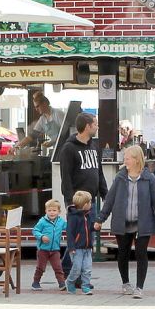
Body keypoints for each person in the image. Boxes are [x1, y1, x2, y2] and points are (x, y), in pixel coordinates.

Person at [95, 145, 155, 298]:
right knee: (123, 253)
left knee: (141, 254)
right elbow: (110, 200)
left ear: (136, 159)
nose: (124, 160)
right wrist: (101, 218)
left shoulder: (149, 179)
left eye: (127, 158)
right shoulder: (120, 177)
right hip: (123, 223)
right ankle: (126, 283)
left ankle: (140, 287)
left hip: (142, 223)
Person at [58, 112, 108, 278]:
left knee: (86, 240)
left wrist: (105, 194)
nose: (97, 126)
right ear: (87, 126)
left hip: (90, 201)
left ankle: (72, 272)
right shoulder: (69, 148)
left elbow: (98, 172)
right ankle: (71, 273)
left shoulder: (94, 145)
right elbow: (66, 177)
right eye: (95, 123)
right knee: (78, 240)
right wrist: (70, 202)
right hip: (77, 202)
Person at [31, 200, 67, 291]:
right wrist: (41, 236)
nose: (52, 212)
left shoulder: (61, 221)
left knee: (58, 267)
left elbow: (69, 227)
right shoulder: (42, 221)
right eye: (49, 210)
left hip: (55, 249)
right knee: (40, 267)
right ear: (46, 211)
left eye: (54, 210)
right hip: (43, 249)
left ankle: (62, 283)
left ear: (59, 212)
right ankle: (35, 283)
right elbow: (35, 230)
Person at [65, 190, 95, 295]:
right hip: (77, 248)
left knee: (87, 268)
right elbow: (70, 233)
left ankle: (86, 286)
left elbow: (90, 228)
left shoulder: (88, 215)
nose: (91, 204)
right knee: (77, 268)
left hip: (87, 247)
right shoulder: (73, 217)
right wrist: (71, 247)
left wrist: (95, 227)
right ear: (85, 204)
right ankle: (70, 281)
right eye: (90, 202)